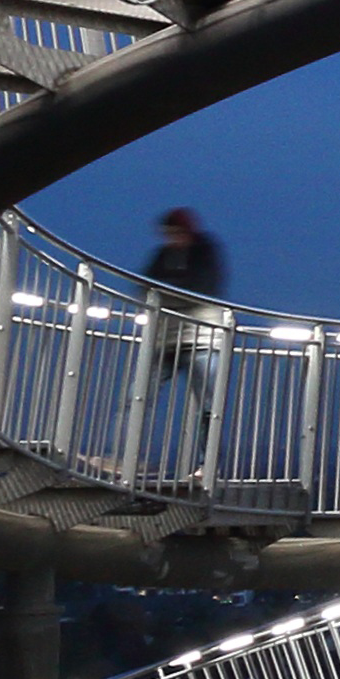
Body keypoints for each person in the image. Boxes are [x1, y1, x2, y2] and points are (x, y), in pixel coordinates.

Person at [136, 206, 230, 484]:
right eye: (167, 234)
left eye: (175, 233)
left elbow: (202, 288)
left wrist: (167, 293)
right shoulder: (163, 255)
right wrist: (169, 292)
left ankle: (208, 467)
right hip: (167, 340)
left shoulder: (206, 251)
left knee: (208, 408)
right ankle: (120, 455)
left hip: (202, 339)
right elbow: (144, 285)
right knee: (137, 396)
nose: (171, 239)